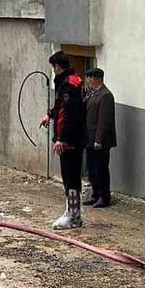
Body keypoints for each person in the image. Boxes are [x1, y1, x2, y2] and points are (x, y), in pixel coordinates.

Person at [39, 51, 86, 229]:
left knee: (70, 176)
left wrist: (61, 139)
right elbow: (60, 107)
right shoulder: (72, 81)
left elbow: (68, 115)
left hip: (71, 140)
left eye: (53, 67)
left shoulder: (68, 85)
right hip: (74, 138)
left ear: (57, 67)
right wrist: (49, 115)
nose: (53, 71)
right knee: (71, 176)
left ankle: (73, 215)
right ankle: (74, 212)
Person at [83, 68, 118, 207]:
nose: (88, 81)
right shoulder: (93, 93)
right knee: (92, 168)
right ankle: (95, 194)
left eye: (89, 78)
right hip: (90, 137)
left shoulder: (106, 95)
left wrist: (99, 139)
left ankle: (104, 196)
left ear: (94, 79)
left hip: (100, 140)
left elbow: (104, 120)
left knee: (101, 168)